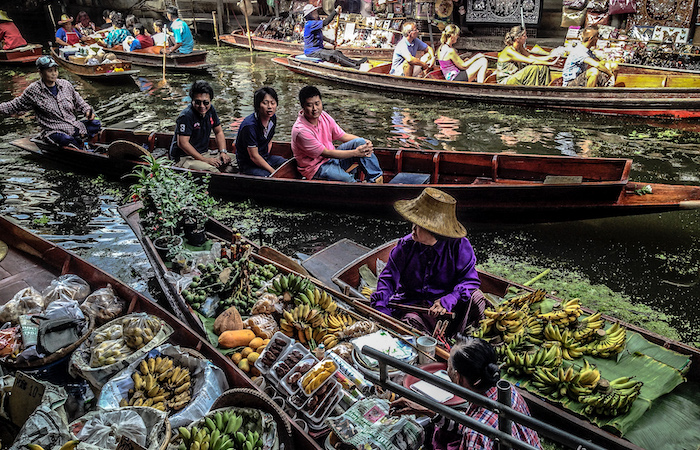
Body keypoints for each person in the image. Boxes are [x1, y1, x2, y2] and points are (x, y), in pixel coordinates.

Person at [370, 187, 484, 335]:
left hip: (448, 308)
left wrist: (451, 298)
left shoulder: (459, 246)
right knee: (411, 323)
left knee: (477, 298)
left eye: (419, 225)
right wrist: (381, 305)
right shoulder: (406, 246)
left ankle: (468, 333)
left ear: (435, 231)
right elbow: (388, 278)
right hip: (414, 306)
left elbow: (470, 280)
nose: (413, 228)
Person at [390, 338, 541, 450]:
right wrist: (425, 410)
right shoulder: (507, 390)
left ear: (458, 377)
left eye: (448, 366)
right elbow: (466, 423)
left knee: (440, 437)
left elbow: (474, 429)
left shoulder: (476, 434)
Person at [0, 56, 100, 148]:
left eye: (55, 70)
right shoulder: (33, 90)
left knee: (96, 123)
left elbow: (80, 102)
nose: (54, 73)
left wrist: (87, 111)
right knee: (66, 139)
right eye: (50, 71)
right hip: (54, 131)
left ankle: (80, 140)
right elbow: (14, 105)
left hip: (72, 126)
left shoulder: (66, 85)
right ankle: (81, 147)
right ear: (41, 72)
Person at [291, 85, 382, 183]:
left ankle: (376, 179)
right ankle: (360, 187)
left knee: (360, 142)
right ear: (303, 106)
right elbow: (326, 153)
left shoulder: (323, 116)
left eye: (317, 103)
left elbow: (343, 136)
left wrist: (366, 142)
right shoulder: (301, 131)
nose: (315, 108)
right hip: (316, 168)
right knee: (348, 180)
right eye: (309, 105)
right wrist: (355, 153)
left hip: (332, 158)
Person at [169, 80, 233, 173]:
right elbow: (183, 143)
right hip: (185, 157)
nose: (202, 106)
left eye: (206, 102)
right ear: (192, 100)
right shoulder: (186, 116)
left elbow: (218, 132)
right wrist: (204, 160)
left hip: (204, 153)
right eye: (198, 102)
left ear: (210, 101)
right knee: (212, 170)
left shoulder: (210, 110)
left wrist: (223, 151)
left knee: (238, 160)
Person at [235, 86, 287, 177]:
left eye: (273, 103)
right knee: (268, 176)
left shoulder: (272, 118)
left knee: (286, 164)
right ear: (258, 105)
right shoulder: (250, 126)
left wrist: (266, 158)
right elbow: (254, 156)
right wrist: (272, 171)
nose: (270, 107)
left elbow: (269, 140)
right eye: (265, 103)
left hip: (264, 157)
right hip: (248, 164)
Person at [302, 5, 366, 69]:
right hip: (312, 52)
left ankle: (355, 62)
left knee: (338, 52)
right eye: (314, 13)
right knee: (334, 54)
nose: (316, 14)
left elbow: (320, 36)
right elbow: (325, 22)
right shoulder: (310, 24)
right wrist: (335, 12)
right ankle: (354, 66)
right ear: (309, 15)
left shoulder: (314, 24)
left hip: (318, 49)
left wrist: (330, 41)